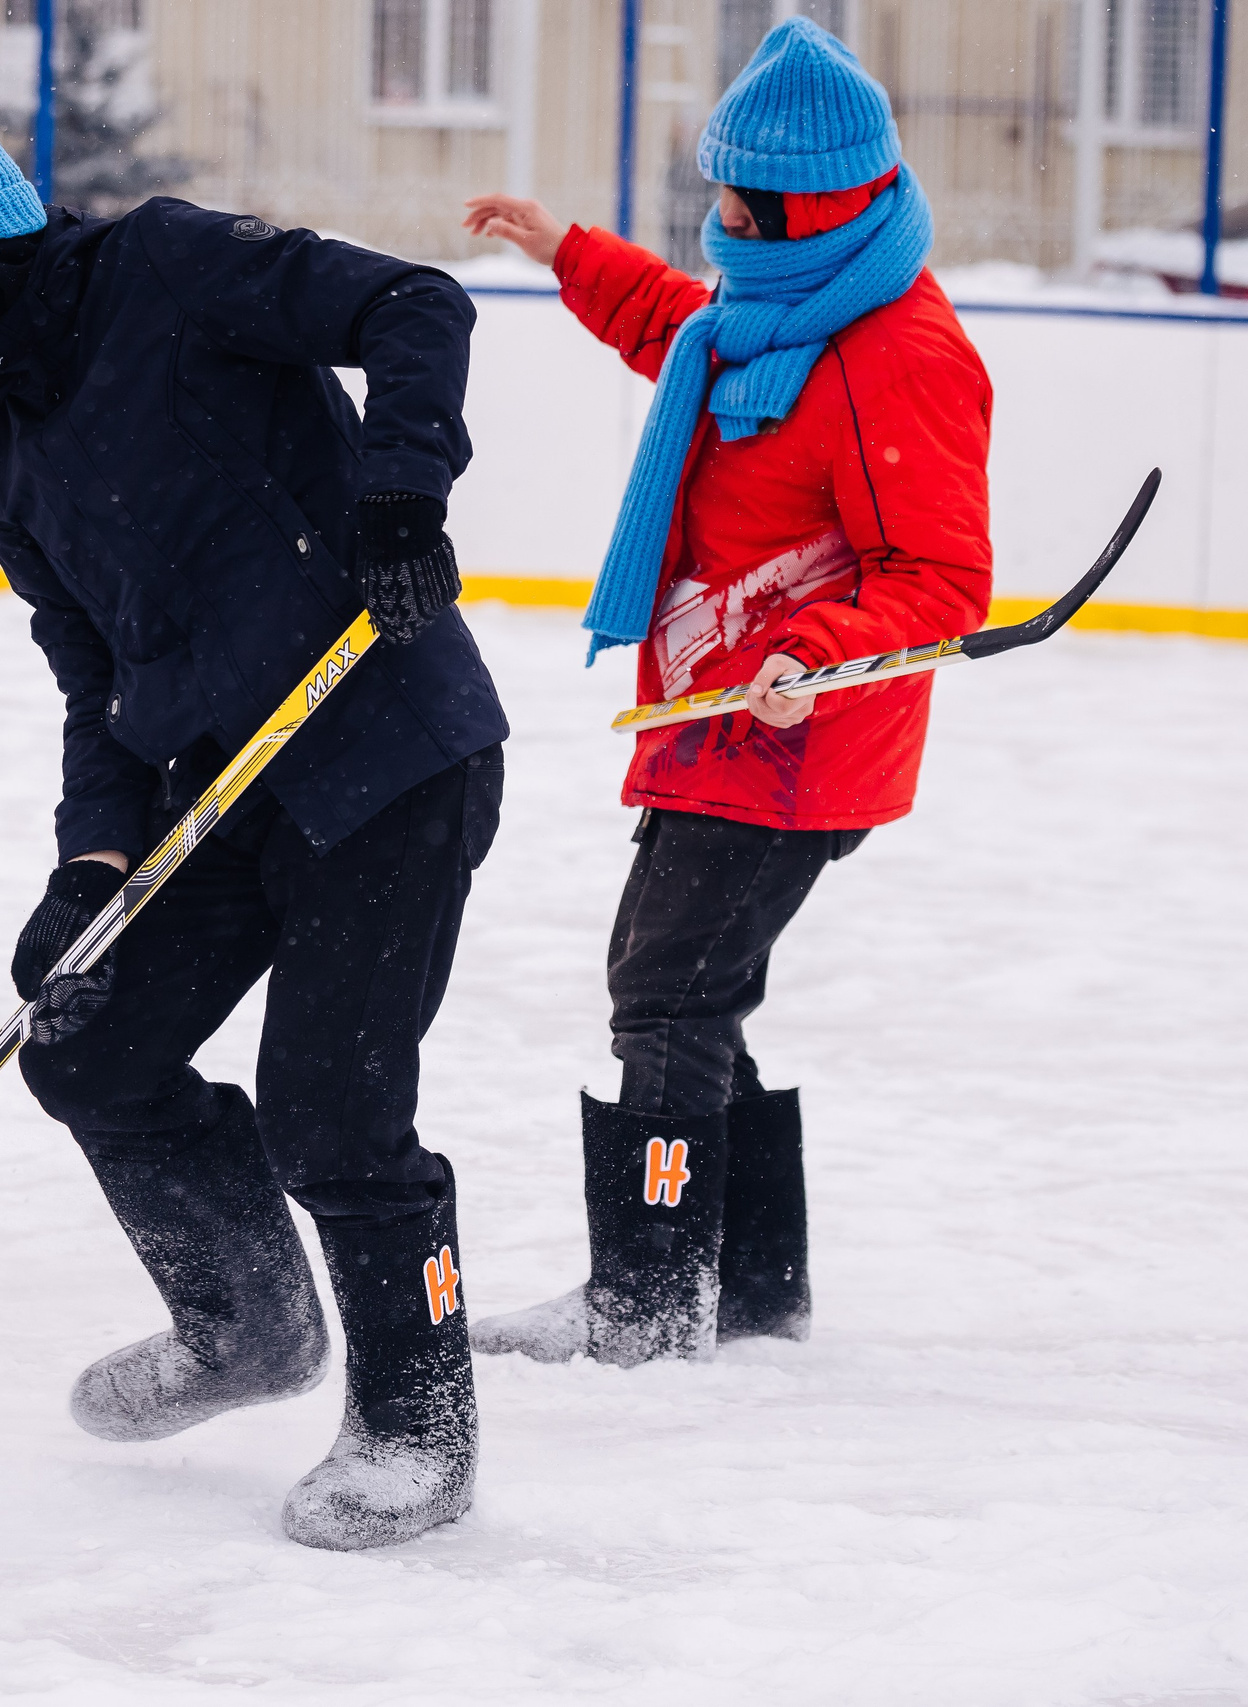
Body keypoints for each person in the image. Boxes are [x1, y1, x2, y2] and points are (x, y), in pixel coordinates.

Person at [0, 101, 508, 1552]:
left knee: (336, 1110)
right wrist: (87, 860)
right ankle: (249, 1323)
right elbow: (92, 670)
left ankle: (416, 1424)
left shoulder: (172, 269)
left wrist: (401, 495)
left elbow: (415, 305)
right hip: (219, 786)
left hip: (387, 747)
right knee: (91, 1047)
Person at [460, 19, 991, 1365]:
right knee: (695, 986)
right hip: (719, 721)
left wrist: (809, 656)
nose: (720, 225)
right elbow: (675, 327)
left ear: (809, 210)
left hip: (798, 739)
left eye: (741, 205)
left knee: (666, 992)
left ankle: (645, 1291)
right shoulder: (776, 313)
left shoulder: (898, 354)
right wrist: (567, 253)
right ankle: (752, 1282)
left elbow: (941, 576)